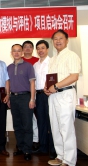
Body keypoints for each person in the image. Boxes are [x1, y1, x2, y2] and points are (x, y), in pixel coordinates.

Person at [44, 29, 81, 166]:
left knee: (66, 128)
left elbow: (74, 76)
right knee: (55, 127)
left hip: (65, 94)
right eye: (55, 39)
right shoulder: (53, 58)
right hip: (53, 96)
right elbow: (51, 78)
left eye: (61, 38)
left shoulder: (71, 55)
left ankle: (69, 160)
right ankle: (60, 156)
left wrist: (57, 86)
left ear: (67, 40)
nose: (58, 41)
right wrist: (47, 88)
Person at [7, 44, 35, 161]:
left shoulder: (28, 66)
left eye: (19, 51)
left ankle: (28, 149)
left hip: (25, 97)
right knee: (17, 125)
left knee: (27, 124)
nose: (17, 53)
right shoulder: (8, 67)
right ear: (11, 53)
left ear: (22, 52)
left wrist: (32, 99)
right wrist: (8, 97)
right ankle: (21, 147)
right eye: (14, 51)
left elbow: (32, 83)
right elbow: (7, 83)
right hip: (13, 98)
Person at [33, 40, 56, 158]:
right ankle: (43, 147)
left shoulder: (53, 62)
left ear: (47, 49)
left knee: (51, 122)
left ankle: (53, 149)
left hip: (50, 95)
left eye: (42, 48)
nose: (40, 50)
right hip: (38, 95)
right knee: (41, 121)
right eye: (38, 48)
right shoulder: (35, 65)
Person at [22, 40, 39, 152]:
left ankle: (37, 140)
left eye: (30, 47)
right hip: (25, 94)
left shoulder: (38, 61)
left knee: (37, 118)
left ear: (33, 49)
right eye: (26, 47)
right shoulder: (19, 61)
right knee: (28, 119)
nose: (27, 49)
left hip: (39, 93)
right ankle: (28, 140)